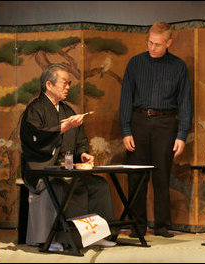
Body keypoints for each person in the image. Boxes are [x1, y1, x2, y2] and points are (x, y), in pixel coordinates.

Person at [20, 63, 118, 251]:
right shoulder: (35, 110)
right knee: (58, 186)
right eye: (64, 83)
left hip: (68, 168)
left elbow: (80, 139)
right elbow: (34, 139)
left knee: (99, 186)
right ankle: (54, 238)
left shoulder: (67, 111)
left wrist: (83, 153)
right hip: (43, 168)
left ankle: (98, 235)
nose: (67, 87)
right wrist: (61, 128)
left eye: (68, 83)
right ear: (49, 85)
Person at [119, 21, 193, 238]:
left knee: (162, 176)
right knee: (136, 177)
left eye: (158, 44)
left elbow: (185, 103)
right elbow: (125, 99)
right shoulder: (135, 63)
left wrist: (182, 135)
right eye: (150, 42)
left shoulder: (178, 66)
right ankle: (137, 225)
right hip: (138, 122)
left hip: (166, 124)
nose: (152, 47)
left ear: (169, 42)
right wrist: (125, 130)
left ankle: (161, 226)